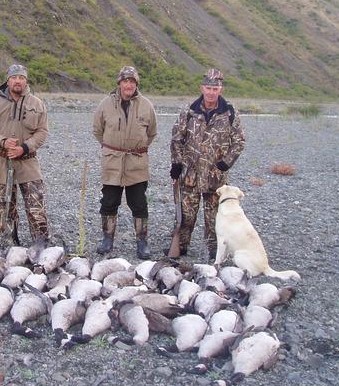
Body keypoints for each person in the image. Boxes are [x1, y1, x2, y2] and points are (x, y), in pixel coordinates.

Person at [170, 68, 245, 261]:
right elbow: (177, 138)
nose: (211, 92)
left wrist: (225, 164)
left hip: (215, 178)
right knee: (186, 215)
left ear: (220, 89)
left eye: (215, 88)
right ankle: (181, 246)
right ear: (202, 88)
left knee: (214, 218)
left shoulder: (230, 112)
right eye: (208, 88)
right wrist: (176, 163)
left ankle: (214, 250)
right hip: (190, 175)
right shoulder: (189, 110)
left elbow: (239, 142)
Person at [0, 64, 49, 248]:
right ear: (8, 80)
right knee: (4, 207)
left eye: (21, 77)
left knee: (36, 205)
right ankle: (11, 245)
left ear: (26, 80)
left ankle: (41, 244)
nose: (18, 81)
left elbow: (42, 131)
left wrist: (25, 147)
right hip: (0, 161)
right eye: (14, 77)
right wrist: (1, 141)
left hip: (28, 161)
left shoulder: (36, 103)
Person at [93, 66, 157, 259]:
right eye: (125, 81)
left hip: (137, 164)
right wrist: (112, 148)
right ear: (119, 83)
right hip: (112, 162)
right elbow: (97, 130)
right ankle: (107, 239)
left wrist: (136, 147)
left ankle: (142, 242)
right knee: (109, 201)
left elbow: (152, 133)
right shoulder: (105, 104)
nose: (128, 84)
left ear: (136, 84)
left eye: (132, 81)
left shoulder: (147, 105)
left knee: (138, 203)